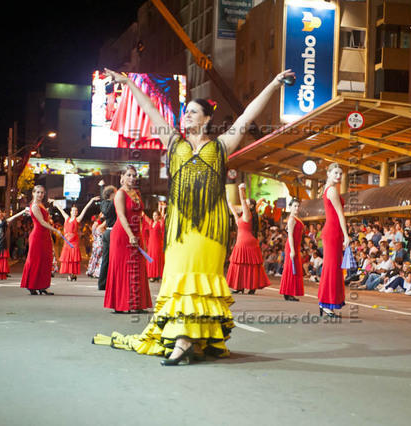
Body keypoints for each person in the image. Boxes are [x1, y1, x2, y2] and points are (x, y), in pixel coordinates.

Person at [94, 67, 295, 365]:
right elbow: (150, 109)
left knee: (199, 283)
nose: (186, 115)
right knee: (179, 280)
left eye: (192, 112)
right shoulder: (174, 142)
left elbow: (247, 116)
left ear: (206, 119)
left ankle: (187, 341)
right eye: (185, 112)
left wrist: (274, 83)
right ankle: (186, 340)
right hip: (180, 228)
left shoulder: (221, 145)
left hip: (210, 230)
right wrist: (128, 83)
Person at [103, 165, 151, 313]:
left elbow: (140, 215)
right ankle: (120, 304)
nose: (132, 178)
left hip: (135, 233)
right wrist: (130, 235)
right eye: (129, 175)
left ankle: (136, 304)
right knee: (123, 268)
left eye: (134, 175)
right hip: (122, 234)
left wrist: (139, 235)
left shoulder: (136, 193)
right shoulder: (120, 193)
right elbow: (122, 216)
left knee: (136, 268)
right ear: (122, 177)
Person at [317, 163, 350, 317]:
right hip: (333, 232)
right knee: (332, 268)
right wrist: (346, 235)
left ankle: (325, 302)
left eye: (340, 173)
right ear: (328, 173)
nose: (338, 176)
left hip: (332, 231)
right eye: (335, 173)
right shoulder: (332, 190)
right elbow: (340, 214)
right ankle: (326, 303)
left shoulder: (328, 188)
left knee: (332, 267)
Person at [226, 183, 270, 294]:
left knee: (240, 265)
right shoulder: (247, 216)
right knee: (249, 265)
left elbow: (243, 200)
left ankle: (240, 286)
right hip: (246, 241)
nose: (244, 204)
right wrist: (230, 206)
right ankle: (248, 287)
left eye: (247, 203)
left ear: (249, 206)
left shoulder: (248, 214)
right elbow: (236, 218)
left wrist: (241, 189)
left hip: (244, 242)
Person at [20, 185, 63, 295]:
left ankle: (42, 286)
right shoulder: (34, 206)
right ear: (33, 193)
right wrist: (55, 230)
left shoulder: (41, 204)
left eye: (42, 192)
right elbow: (42, 222)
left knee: (45, 261)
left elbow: (46, 220)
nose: (40, 194)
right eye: (38, 192)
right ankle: (32, 285)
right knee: (36, 261)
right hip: (38, 236)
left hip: (45, 235)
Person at [54, 196, 100, 281]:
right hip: (67, 242)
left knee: (73, 258)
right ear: (71, 211)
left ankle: (72, 274)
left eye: (76, 211)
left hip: (74, 242)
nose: (75, 212)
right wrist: (55, 202)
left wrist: (91, 200)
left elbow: (85, 209)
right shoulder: (66, 218)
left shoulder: (78, 219)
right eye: (73, 210)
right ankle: (71, 274)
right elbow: (60, 209)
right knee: (68, 258)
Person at [279, 198, 304, 302]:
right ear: (290, 207)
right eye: (295, 206)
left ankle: (288, 292)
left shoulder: (295, 218)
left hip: (295, 246)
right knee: (291, 269)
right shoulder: (292, 219)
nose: (297, 208)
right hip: (292, 246)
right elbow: (290, 236)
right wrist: (292, 250)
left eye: (298, 206)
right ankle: (289, 292)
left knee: (292, 269)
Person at [97, 183, 117, 291]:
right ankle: (105, 283)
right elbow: (107, 211)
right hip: (112, 232)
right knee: (110, 259)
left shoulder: (106, 203)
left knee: (107, 259)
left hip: (108, 233)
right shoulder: (109, 203)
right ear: (111, 194)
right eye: (115, 193)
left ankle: (103, 283)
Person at [144, 203, 167, 281]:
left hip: (157, 244)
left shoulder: (160, 223)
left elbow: (163, 218)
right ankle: (151, 275)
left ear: (159, 216)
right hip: (151, 244)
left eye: (156, 215)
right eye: (153, 215)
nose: (154, 217)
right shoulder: (151, 222)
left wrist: (162, 209)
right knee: (150, 258)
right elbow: (145, 216)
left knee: (156, 258)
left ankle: (156, 275)